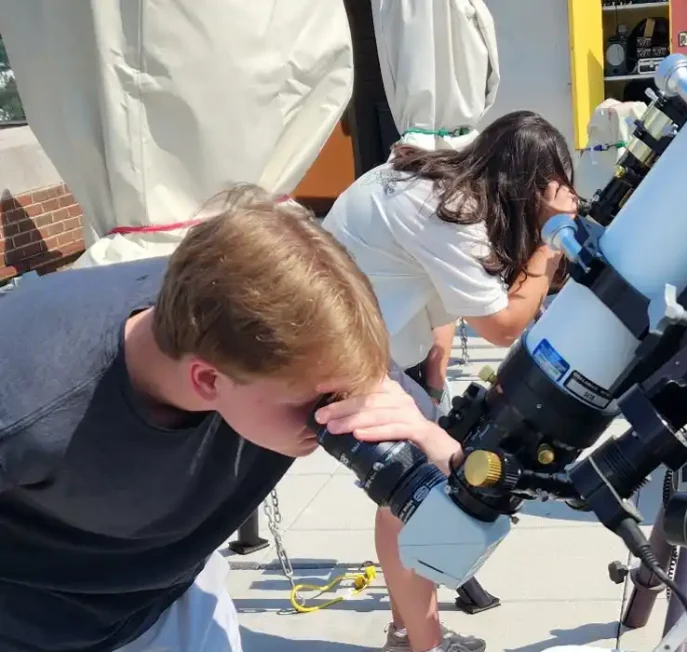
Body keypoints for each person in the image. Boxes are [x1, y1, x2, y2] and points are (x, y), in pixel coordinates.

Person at [0, 184, 473, 652]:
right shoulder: (29, 399)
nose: (332, 420)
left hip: (169, 597)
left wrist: (433, 443)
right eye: (317, 404)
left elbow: (451, 482)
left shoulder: (284, 328)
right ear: (208, 380)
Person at [320, 109, 578, 652]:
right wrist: (549, 245)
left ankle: (406, 632)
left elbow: (435, 292)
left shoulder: (448, 174)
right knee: (419, 499)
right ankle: (426, 645)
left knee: (399, 502)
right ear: (523, 186)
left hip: (349, 332)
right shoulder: (454, 215)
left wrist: (433, 381)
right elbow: (503, 326)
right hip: (337, 349)